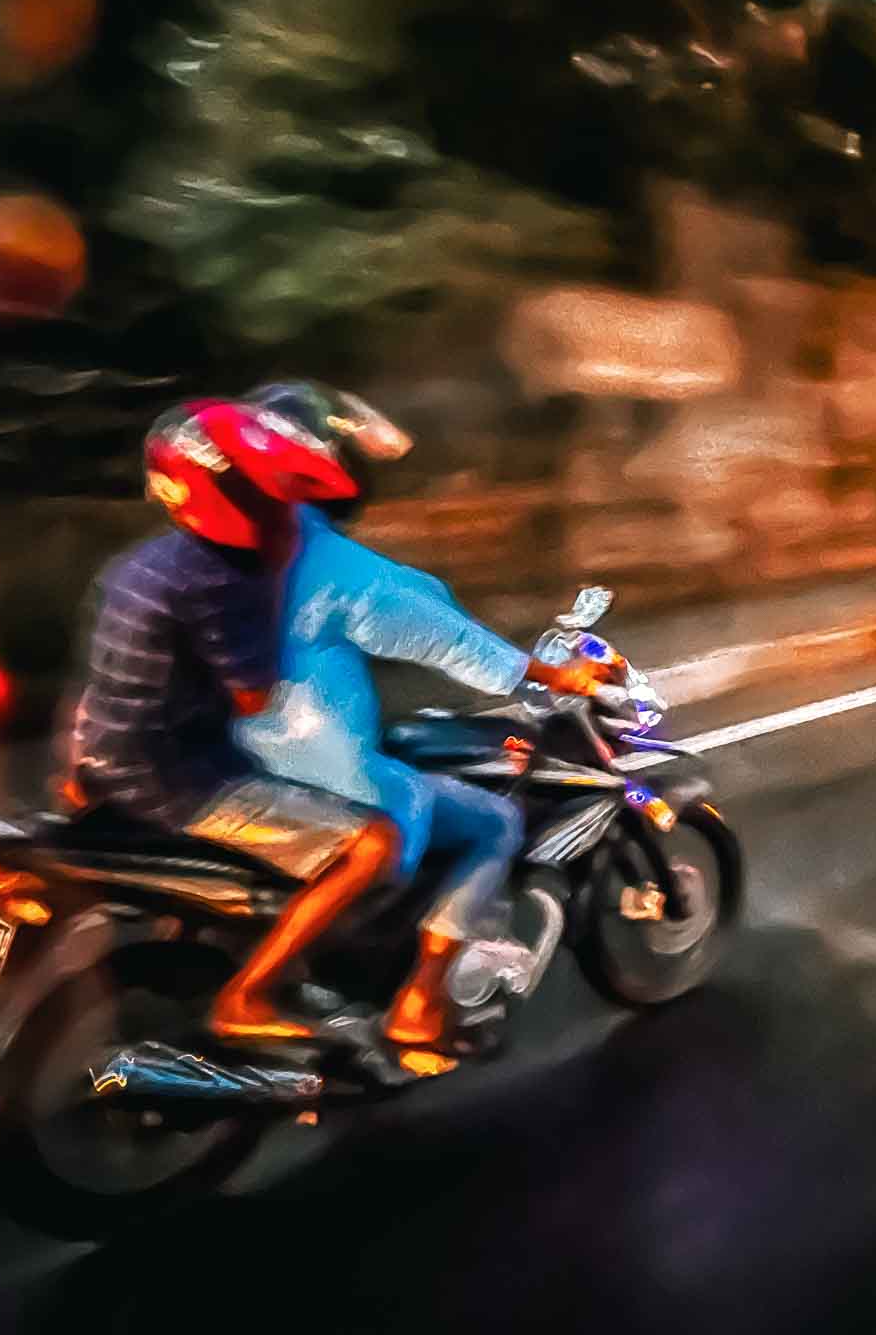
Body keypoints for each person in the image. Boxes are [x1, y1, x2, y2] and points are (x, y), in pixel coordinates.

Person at [235, 380, 611, 1049]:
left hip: (228, 762)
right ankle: (419, 1002)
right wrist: (558, 672)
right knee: (495, 820)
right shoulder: (332, 563)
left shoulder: (216, 552)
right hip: (309, 774)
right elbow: (448, 638)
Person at [63, 398, 402, 1041]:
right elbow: (254, 699)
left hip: (109, 756)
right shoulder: (224, 582)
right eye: (282, 506)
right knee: (372, 842)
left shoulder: (144, 563)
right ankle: (245, 996)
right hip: (177, 778)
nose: (294, 523)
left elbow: (102, 686)